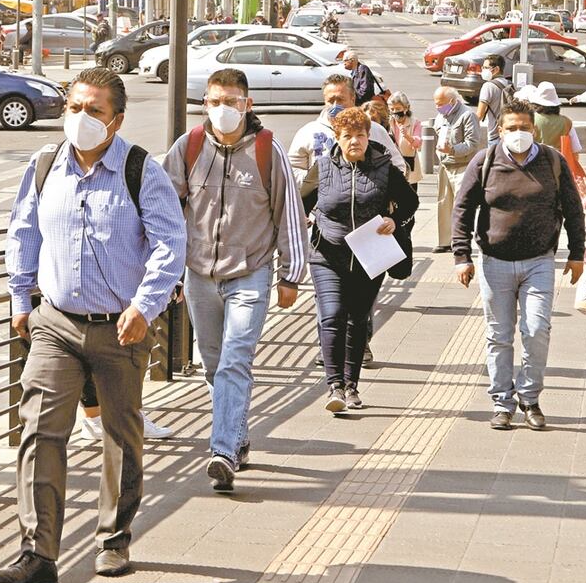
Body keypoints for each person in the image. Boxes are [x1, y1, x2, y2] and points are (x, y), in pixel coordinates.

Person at [0, 68, 186, 583]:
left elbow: (170, 245)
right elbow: (24, 232)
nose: (81, 118)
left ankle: (113, 539)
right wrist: (20, 298)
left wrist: (144, 307)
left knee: (121, 437)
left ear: (116, 120)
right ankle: (37, 554)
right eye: (75, 107)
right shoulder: (44, 166)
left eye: (94, 111)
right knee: (40, 431)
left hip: (121, 328)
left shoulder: (141, 170)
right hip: (55, 324)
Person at [160, 68, 308, 492]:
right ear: (205, 103)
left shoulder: (266, 150)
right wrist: (167, 272)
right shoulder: (188, 146)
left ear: (247, 104)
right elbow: (164, 210)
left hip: (250, 273)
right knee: (213, 366)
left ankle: (222, 451)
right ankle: (238, 437)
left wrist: (291, 275)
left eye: (231, 101)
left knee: (234, 361)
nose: (222, 109)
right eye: (215, 101)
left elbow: (289, 214)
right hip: (199, 276)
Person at [451, 98, 586, 431]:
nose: (518, 133)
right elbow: (463, 208)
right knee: (499, 335)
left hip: (539, 261)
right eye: (511, 128)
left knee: (537, 330)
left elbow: (573, 209)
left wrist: (577, 253)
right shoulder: (485, 161)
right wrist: (461, 256)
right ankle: (502, 402)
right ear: (500, 130)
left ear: (534, 129)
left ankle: (529, 397)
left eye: (524, 127)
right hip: (494, 262)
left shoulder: (552, 161)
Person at [299, 108, 418, 413]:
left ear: (368, 137)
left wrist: (393, 220)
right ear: (337, 139)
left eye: (360, 135)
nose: (355, 141)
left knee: (357, 320)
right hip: (327, 254)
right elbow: (300, 202)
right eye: (348, 136)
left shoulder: (384, 168)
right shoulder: (323, 168)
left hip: (369, 255)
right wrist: (307, 220)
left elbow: (410, 202)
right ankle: (335, 386)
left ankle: (351, 386)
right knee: (332, 316)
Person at [288, 74, 408, 369]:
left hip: (368, 233)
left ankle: (360, 344)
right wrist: (316, 184)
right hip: (327, 231)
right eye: (330, 99)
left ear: (353, 99)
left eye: (340, 99)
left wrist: (384, 198)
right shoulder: (309, 132)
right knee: (328, 298)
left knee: (361, 301)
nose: (334, 104)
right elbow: (293, 170)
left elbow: (399, 167)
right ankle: (328, 347)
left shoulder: (374, 130)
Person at [432, 86, 483, 253]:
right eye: (436, 103)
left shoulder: (467, 115)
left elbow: (472, 144)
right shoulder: (441, 116)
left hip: (462, 166)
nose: (438, 107)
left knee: (461, 206)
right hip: (445, 165)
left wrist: (452, 149)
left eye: (441, 104)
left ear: (453, 101)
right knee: (443, 204)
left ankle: (460, 242)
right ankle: (445, 241)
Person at [386, 92, 424, 191]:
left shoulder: (415, 122)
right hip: (392, 165)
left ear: (406, 108)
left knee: (410, 195)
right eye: (392, 109)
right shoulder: (387, 122)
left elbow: (418, 144)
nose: (395, 112)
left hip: (409, 165)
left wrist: (407, 136)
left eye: (398, 109)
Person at [475, 54, 512, 146]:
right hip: (509, 134)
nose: (483, 70)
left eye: (485, 68)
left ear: (496, 69)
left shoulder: (488, 86)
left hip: (495, 136)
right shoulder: (510, 84)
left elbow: (479, 114)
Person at [529, 81, 572, 146]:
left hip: (538, 152)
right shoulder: (567, 122)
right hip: (558, 152)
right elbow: (576, 147)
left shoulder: (531, 119)